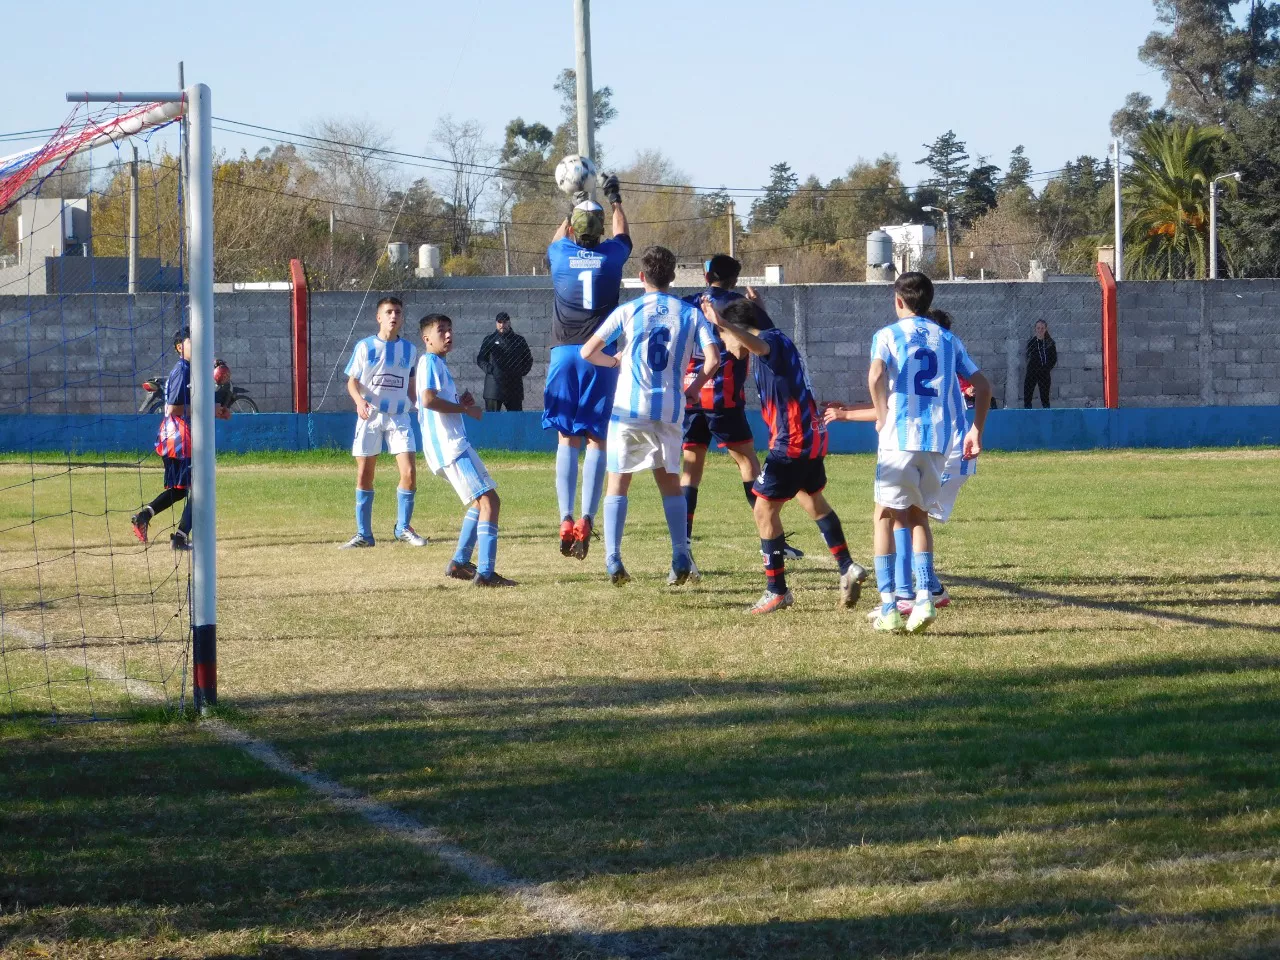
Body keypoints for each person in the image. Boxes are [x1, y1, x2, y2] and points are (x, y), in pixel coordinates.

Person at [700, 294, 868, 615]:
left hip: (791, 442)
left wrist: (723, 322)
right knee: (812, 500)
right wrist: (758, 307)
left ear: (737, 330)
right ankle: (846, 565)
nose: (724, 345)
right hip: (813, 437)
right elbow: (761, 332)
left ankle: (777, 591)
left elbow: (758, 342)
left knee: (763, 511)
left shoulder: (766, 345)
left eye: (723, 337)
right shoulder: (778, 337)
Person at [580, 245, 719, 587]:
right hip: (670, 409)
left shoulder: (628, 310)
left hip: (629, 409)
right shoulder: (689, 314)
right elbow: (714, 359)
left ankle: (613, 558)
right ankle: (679, 553)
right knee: (670, 483)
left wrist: (615, 361)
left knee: (618, 481)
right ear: (673, 277)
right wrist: (695, 386)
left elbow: (588, 351)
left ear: (641, 276)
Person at [867, 273, 990, 634]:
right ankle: (923, 599)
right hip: (937, 442)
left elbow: (876, 375)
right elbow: (982, 385)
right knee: (919, 516)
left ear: (898, 301)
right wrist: (976, 428)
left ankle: (889, 605)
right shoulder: (949, 340)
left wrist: (880, 415)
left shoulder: (887, 335)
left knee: (885, 517)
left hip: (899, 439)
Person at [679, 254, 802, 564]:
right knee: (748, 462)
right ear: (734, 279)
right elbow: (771, 336)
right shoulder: (737, 304)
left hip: (691, 394)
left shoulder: (686, 302)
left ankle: (684, 543)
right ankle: (772, 537)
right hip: (724, 396)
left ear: (706, 276)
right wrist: (759, 307)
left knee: (691, 467)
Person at [545, 175, 631, 560]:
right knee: (597, 438)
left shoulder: (560, 254)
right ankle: (586, 519)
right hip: (601, 355)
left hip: (564, 355)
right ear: (600, 234)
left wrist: (572, 206)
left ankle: (564, 519)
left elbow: (556, 238)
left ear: (574, 231)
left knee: (567, 439)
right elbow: (623, 236)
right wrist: (614, 201)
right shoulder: (612, 257)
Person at [417, 314, 515, 587]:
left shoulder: (438, 364)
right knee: (490, 502)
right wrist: (463, 408)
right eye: (441, 331)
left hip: (449, 448)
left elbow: (435, 401)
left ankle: (460, 562)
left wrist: (460, 401)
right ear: (427, 339)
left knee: (480, 502)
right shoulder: (429, 362)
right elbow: (427, 400)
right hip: (451, 448)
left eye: (450, 330)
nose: (448, 335)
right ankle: (485, 573)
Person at [130, 327, 229, 550]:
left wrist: (216, 409)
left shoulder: (192, 370)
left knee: (181, 490)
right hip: (181, 440)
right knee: (201, 487)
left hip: (181, 438)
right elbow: (174, 408)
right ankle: (181, 538)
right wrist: (207, 408)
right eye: (191, 341)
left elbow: (196, 404)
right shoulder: (182, 371)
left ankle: (144, 516)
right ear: (179, 347)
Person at [340, 296, 425, 549]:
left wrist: (421, 407)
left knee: (409, 472)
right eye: (388, 312)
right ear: (379, 317)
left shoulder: (410, 350)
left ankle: (403, 528)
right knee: (365, 473)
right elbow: (352, 381)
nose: (393, 316)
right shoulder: (365, 347)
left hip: (399, 417)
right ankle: (364, 534)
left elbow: (411, 388)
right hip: (371, 416)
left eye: (398, 312)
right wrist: (359, 401)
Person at [476, 311, 533, 412]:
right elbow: (481, 359)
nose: (502, 325)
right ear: (496, 323)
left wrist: (521, 372)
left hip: (514, 386)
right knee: (492, 420)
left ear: (509, 323)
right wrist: (491, 370)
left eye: (505, 322)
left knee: (516, 420)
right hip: (493, 386)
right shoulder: (489, 340)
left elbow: (528, 359)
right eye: (499, 322)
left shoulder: (519, 340)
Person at [1023, 319, 1056, 408]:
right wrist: (1032, 368)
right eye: (1038, 328)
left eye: (1042, 328)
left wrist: (1046, 368)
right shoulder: (1031, 342)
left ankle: (1047, 417)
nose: (1040, 330)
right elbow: (1028, 357)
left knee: (1045, 398)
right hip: (1032, 372)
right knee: (1027, 397)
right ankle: (1027, 416)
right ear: (1035, 329)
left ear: (1045, 329)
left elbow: (1054, 359)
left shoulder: (1050, 343)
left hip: (1044, 373)